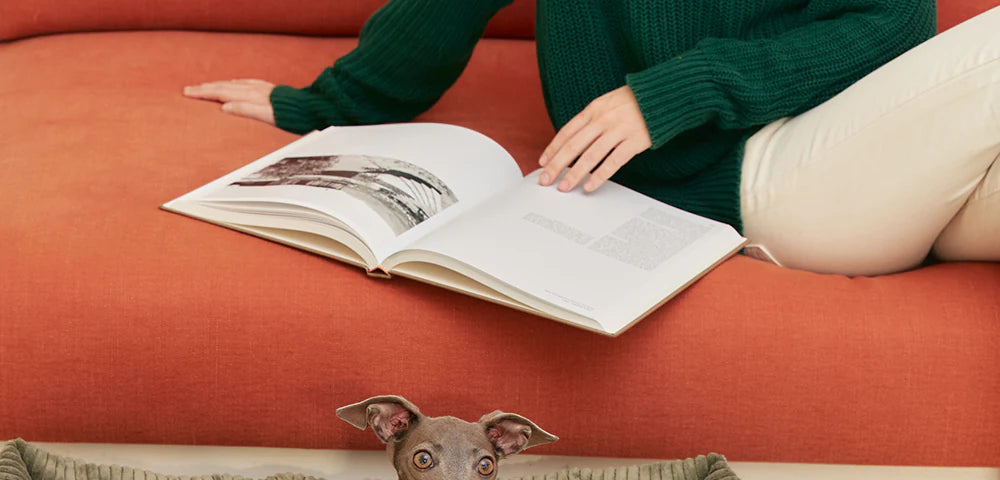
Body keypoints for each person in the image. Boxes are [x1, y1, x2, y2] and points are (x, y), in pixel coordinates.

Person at [184, 0, 1000, 276]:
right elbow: (444, 9)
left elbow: (893, 20)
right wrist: (319, 104)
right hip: (756, 183)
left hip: (868, 157)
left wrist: (675, 91)